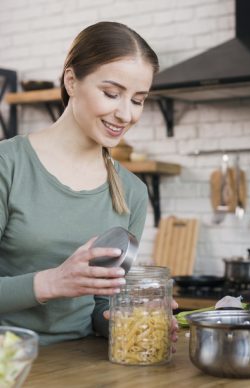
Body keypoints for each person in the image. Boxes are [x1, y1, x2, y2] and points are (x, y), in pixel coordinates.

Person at [0, 21, 178, 346]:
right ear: (71, 80)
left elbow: (101, 306)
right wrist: (53, 282)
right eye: (111, 94)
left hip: (81, 368)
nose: (125, 114)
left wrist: (133, 320)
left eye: (138, 100)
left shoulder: (131, 192)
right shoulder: (7, 166)